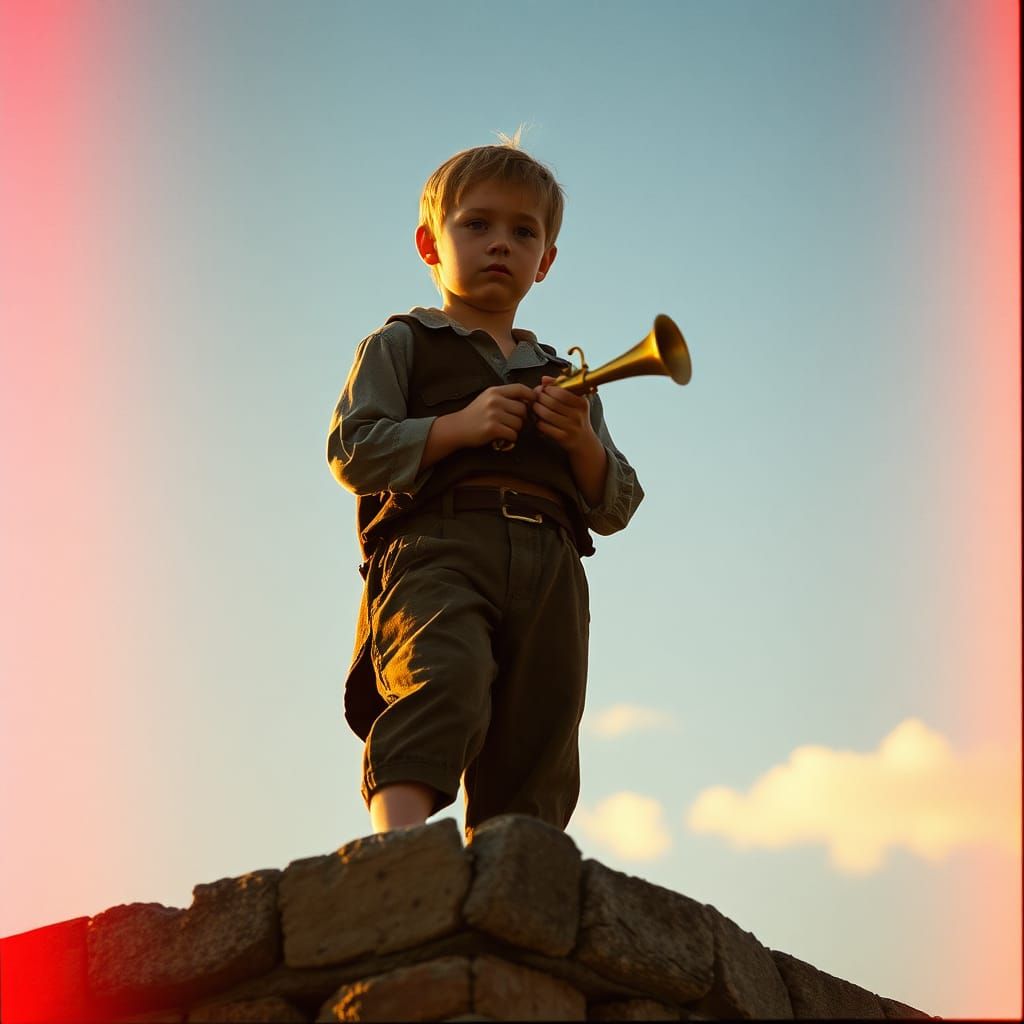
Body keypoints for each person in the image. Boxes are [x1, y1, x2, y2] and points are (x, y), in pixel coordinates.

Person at [326, 137, 643, 839]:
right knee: (444, 678)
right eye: (476, 224)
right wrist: (456, 428)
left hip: (554, 564)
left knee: (544, 724)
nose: (500, 243)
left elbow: (617, 503)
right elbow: (352, 448)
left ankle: (518, 877)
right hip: (439, 543)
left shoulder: (565, 378)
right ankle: (397, 849)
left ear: (546, 261)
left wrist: (580, 441)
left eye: (523, 231)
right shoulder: (401, 343)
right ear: (429, 244)